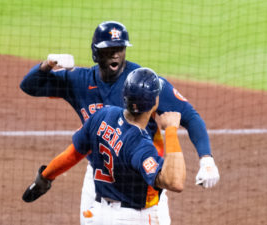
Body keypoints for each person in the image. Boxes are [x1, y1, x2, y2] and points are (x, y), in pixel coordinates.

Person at [20, 21, 220, 225]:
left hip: (143, 174)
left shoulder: (141, 83)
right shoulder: (80, 80)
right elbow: (29, 87)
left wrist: (206, 159)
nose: (116, 54)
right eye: (109, 49)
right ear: (96, 53)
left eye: (120, 49)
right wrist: (48, 65)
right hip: (101, 177)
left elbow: (190, 116)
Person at [22, 68, 187, 225]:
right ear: (154, 102)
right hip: (133, 219)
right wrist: (171, 130)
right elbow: (175, 182)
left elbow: (73, 154)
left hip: (99, 214)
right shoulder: (140, 144)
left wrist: (45, 177)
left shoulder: (102, 115)